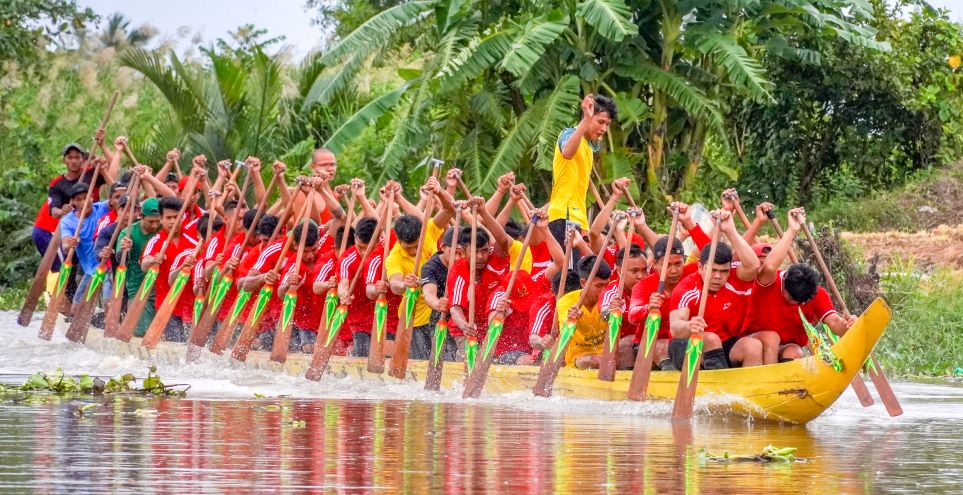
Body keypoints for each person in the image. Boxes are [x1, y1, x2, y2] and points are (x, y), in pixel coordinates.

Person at [742, 208, 856, 363]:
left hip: (784, 347)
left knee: (795, 352)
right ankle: (771, 379)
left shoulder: (816, 294)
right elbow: (769, 266)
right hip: (752, 343)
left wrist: (849, 326)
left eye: (798, 302)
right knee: (771, 338)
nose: (792, 303)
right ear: (784, 282)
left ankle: (785, 382)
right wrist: (792, 230)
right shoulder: (769, 282)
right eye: (789, 298)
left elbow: (836, 324)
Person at [668, 210, 762, 370]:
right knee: (711, 339)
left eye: (723, 271)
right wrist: (689, 325)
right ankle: (720, 387)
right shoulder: (687, 287)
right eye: (712, 270)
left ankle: (749, 390)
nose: (718, 276)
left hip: (725, 342)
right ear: (700, 267)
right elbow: (675, 327)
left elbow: (753, 265)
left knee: (753, 346)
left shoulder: (734, 275)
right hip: (686, 344)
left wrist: (731, 230)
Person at [385, 178, 455, 360]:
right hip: (415, 319)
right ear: (398, 240)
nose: (415, 251)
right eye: (410, 248)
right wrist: (404, 283)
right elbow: (394, 285)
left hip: (442, 310)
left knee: (448, 360)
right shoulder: (394, 257)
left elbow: (449, 210)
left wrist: (439, 191)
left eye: (417, 245)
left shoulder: (429, 229)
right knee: (423, 365)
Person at [547, 93, 618, 248]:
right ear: (588, 116)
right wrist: (586, 120)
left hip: (578, 218)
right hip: (564, 215)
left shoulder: (588, 146)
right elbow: (567, 152)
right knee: (566, 271)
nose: (604, 128)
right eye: (600, 122)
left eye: (607, 124)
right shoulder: (570, 134)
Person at [141, 195, 199, 342]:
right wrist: (153, 260)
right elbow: (144, 264)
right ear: (161, 219)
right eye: (168, 218)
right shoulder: (156, 241)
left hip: (190, 305)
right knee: (175, 347)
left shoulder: (195, 241)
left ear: (183, 217)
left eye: (176, 217)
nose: (173, 221)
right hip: (167, 304)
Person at [58, 181, 113, 316]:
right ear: (73, 203)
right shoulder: (68, 221)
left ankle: (109, 321)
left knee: (109, 301)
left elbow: (118, 197)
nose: (83, 202)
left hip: (109, 265)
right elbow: (65, 246)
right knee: (75, 310)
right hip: (91, 270)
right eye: (79, 199)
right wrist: (69, 244)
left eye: (86, 197)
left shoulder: (102, 208)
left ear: (92, 197)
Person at [556, 255, 613, 369]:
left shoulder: (611, 297)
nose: (604, 291)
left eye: (607, 285)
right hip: (579, 360)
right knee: (594, 360)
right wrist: (571, 320)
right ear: (583, 283)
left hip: (607, 357)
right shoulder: (566, 302)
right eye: (599, 285)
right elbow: (564, 332)